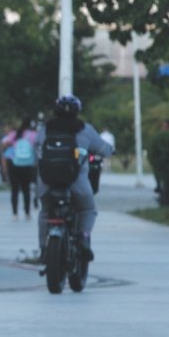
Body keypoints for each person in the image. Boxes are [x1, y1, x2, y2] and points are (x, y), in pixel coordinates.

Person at [36, 95, 114, 261]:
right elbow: (104, 149)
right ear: (78, 111)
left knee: (45, 212)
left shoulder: (44, 130)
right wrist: (110, 150)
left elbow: (34, 148)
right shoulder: (85, 130)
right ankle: (83, 238)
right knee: (88, 210)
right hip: (77, 183)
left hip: (46, 182)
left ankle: (43, 248)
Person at [0, 117, 37, 220]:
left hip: (15, 164)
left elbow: (3, 144)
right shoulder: (33, 135)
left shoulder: (15, 134)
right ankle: (27, 212)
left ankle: (15, 213)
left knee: (14, 190)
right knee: (26, 190)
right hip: (28, 165)